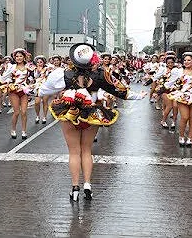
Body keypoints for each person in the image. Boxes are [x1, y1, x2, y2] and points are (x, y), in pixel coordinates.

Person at [39, 43, 147, 201]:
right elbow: (121, 91)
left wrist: (61, 91)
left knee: (74, 152)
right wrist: (138, 96)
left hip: (70, 113)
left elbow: (43, 90)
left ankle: (75, 189)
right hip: (93, 113)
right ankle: (88, 185)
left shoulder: (60, 74)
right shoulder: (102, 73)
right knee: (87, 150)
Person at [0, 48, 35, 139]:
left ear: (24, 57)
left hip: (24, 91)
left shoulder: (29, 67)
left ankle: (24, 131)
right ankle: (13, 129)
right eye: (17, 56)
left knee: (24, 112)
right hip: (14, 91)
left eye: (20, 56)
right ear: (14, 57)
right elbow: (4, 77)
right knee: (16, 112)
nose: (18, 58)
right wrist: (8, 82)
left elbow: (33, 78)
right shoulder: (11, 67)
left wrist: (31, 84)